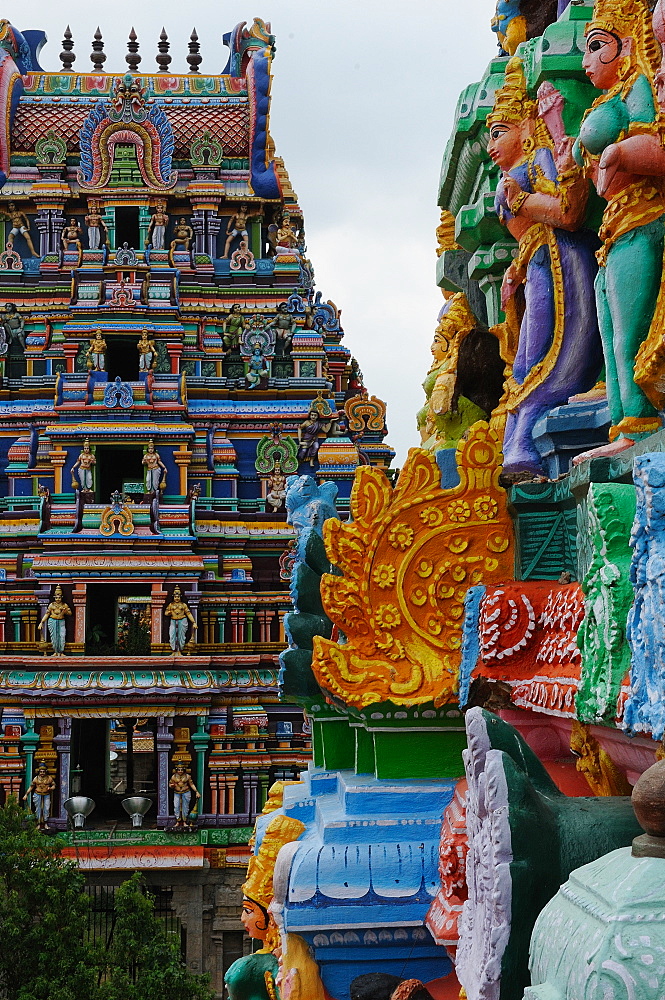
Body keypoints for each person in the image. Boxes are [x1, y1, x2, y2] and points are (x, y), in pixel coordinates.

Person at [488, 56, 602, 474]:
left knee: (549, 352)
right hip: (536, 265)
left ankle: (524, 441)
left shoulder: (540, 161)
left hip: (562, 262)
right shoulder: (524, 167)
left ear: (524, 125)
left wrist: (520, 200)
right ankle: (517, 442)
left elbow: (569, 212)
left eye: (499, 133)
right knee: (524, 359)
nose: (491, 147)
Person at [570, 0, 665, 456]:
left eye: (596, 47)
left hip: (643, 218)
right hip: (615, 228)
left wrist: (618, 154)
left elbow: (657, 146)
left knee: (630, 331)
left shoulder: (640, 87)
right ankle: (623, 427)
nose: (587, 62)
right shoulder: (608, 99)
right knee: (610, 334)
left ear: (626, 44)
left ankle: (641, 427)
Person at [39, 584, 71, 656]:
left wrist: (65, 611)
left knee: (62, 636)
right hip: (52, 621)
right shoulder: (51, 605)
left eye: (59, 598)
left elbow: (70, 613)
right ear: (54, 597)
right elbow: (47, 614)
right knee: (54, 637)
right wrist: (41, 622)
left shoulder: (64, 605)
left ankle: (61, 652)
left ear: (61, 597)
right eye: (56, 598)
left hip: (61, 621)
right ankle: (56, 652)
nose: (58, 599)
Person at [164, 585, 197, 653]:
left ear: (180, 597)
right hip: (173, 621)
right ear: (173, 597)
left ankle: (179, 649)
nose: (177, 598)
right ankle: (174, 650)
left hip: (182, 621)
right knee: (172, 635)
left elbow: (188, 614)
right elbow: (165, 613)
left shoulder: (183, 605)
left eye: (178, 597)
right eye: (175, 597)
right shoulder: (171, 605)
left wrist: (194, 622)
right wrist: (169, 613)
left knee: (181, 637)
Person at [23, 764, 56, 829]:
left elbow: (54, 785)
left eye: (43, 772)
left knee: (46, 808)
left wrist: (51, 788)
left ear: (46, 771)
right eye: (41, 772)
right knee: (38, 809)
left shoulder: (49, 778)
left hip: (46, 794)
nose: (42, 773)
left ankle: (45, 823)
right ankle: (38, 823)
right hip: (37, 794)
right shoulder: (36, 778)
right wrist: (26, 794)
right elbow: (31, 787)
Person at [169, 762, 200, 829]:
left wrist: (196, 791)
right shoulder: (174, 777)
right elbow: (170, 784)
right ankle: (178, 821)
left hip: (186, 792)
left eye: (182, 770)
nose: (180, 771)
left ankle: (184, 821)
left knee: (185, 807)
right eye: (179, 770)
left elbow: (191, 784)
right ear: (176, 770)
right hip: (177, 792)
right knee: (176, 806)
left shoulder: (187, 776)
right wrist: (172, 785)